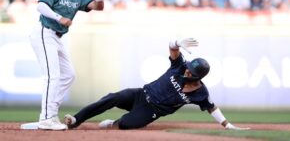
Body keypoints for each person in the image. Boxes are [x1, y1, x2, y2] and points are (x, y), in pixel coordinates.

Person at [64, 38, 249, 130]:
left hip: (152, 111)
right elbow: (173, 48)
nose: (187, 71)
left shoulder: (201, 93)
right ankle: (76, 120)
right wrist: (176, 41)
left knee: (126, 125)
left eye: (191, 72)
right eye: (188, 68)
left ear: (198, 77)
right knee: (112, 97)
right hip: (141, 94)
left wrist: (227, 125)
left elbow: (211, 107)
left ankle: (113, 124)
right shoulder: (180, 66)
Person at [29, 0, 105, 130]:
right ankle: (47, 118)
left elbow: (98, 7)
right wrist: (58, 17)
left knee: (69, 75)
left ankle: (48, 114)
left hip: (57, 37)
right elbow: (40, 6)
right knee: (52, 76)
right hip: (44, 31)